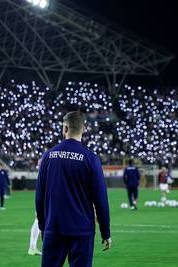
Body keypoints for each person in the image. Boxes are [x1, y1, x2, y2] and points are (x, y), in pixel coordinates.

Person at [36, 111, 111, 267]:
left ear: (65, 128)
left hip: (54, 228)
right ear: (83, 129)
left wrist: (43, 227)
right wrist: (105, 232)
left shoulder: (48, 156)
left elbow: (39, 197)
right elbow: (101, 200)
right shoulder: (91, 158)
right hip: (82, 231)